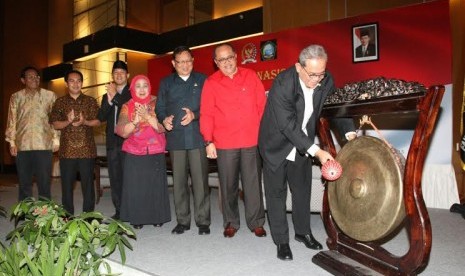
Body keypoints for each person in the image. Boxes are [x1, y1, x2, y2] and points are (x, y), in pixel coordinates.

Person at [258, 45, 356, 260]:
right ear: (298, 67)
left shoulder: (325, 79)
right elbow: (287, 125)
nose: (317, 80)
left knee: (302, 190)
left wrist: (349, 134)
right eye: (312, 75)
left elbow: (336, 107)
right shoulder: (283, 83)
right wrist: (316, 151)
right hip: (276, 144)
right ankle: (282, 241)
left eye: (321, 74)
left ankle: (303, 233)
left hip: (302, 145)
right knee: (277, 194)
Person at [200, 43, 267, 238]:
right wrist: (208, 140)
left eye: (229, 57)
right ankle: (230, 222)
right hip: (224, 143)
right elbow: (206, 114)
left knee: (252, 184)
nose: (226, 62)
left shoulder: (251, 76)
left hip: (251, 140)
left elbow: (262, 107)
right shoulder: (211, 83)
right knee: (228, 185)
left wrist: (264, 135)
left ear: (236, 56)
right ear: (216, 63)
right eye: (222, 60)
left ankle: (256, 222)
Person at [156, 46, 211, 235]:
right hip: (176, 138)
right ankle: (183, 220)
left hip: (197, 137)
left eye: (188, 61)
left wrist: (195, 115)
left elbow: (210, 107)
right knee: (179, 182)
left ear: (193, 61)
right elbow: (160, 107)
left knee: (200, 181)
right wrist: (164, 119)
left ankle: (203, 221)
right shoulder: (166, 83)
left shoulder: (203, 80)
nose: (185, 65)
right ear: (174, 63)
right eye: (181, 62)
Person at [116, 75, 170, 229]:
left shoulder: (157, 102)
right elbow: (122, 132)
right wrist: (135, 121)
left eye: (145, 85)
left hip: (155, 149)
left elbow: (163, 127)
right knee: (137, 186)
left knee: (155, 185)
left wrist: (147, 116)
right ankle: (137, 218)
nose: (141, 89)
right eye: (138, 86)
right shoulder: (127, 106)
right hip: (134, 151)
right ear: (132, 88)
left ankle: (157, 216)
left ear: (149, 87)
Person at [50, 70, 101, 215]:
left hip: (87, 149)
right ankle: (67, 216)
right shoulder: (60, 102)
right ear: (66, 84)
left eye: (78, 80)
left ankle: (89, 216)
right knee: (66, 185)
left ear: (82, 83)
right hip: (67, 150)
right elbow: (54, 124)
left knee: (87, 185)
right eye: (71, 81)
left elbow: (98, 121)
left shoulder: (90, 101)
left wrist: (85, 121)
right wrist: (68, 121)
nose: (75, 83)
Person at [5, 66, 59, 201]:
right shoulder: (16, 97)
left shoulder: (50, 96)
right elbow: (12, 120)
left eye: (36, 76)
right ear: (23, 80)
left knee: (44, 183)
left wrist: (56, 139)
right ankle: (25, 215)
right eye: (30, 77)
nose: (34, 79)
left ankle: (45, 217)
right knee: (24, 183)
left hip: (44, 144)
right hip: (22, 146)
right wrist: (11, 142)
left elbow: (55, 119)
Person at [97, 60, 132, 219]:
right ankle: (119, 211)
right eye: (116, 73)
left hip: (129, 142)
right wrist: (110, 100)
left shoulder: (132, 92)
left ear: (127, 75)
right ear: (112, 75)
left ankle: (131, 209)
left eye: (122, 72)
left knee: (129, 177)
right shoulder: (106, 95)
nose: (119, 75)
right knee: (115, 178)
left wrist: (115, 96)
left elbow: (128, 108)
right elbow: (101, 116)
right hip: (112, 142)